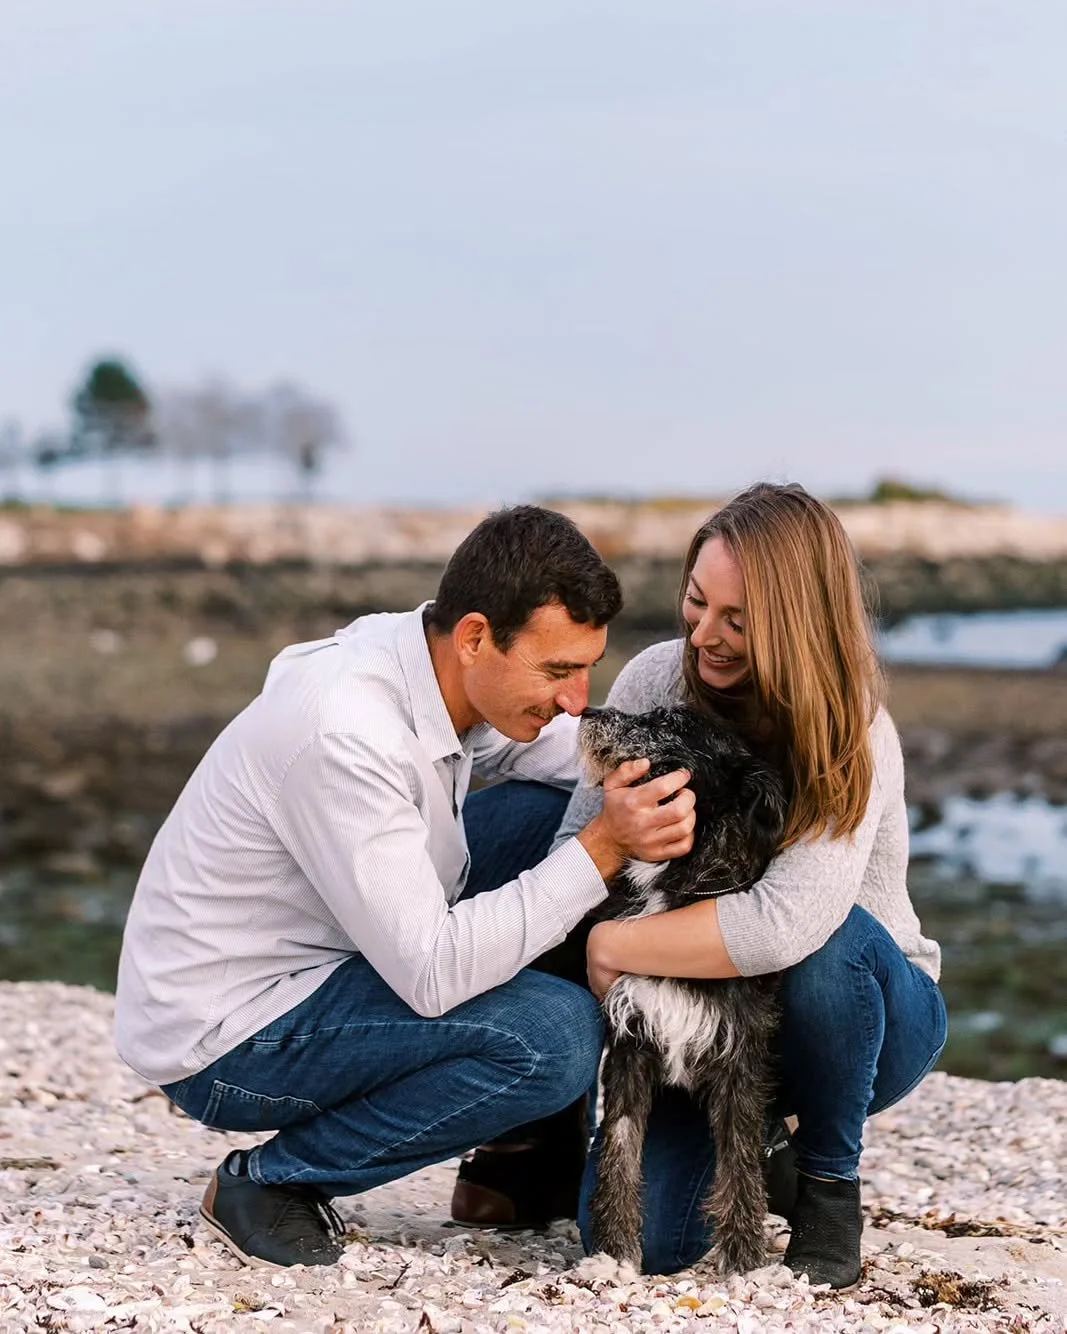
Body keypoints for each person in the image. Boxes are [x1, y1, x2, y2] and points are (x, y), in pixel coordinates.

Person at [114, 505, 697, 1269]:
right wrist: (602, 847)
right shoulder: (345, 730)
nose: (576, 698)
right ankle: (268, 1183)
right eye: (556, 671)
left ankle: (521, 1161)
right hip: (225, 1032)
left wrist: (666, 785)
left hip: (336, 952)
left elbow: (564, 758)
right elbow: (431, 973)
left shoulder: (425, 659)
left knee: (544, 813)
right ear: (475, 638)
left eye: (585, 668)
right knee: (550, 1039)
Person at [552, 482, 946, 1290]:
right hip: (702, 1015)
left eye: (738, 620)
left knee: (824, 940)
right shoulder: (658, 677)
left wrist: (613, 941)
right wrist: (609, 839)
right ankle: (761, 1143)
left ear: (798, 625)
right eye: (696, 603)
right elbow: (572, 846)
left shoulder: (849, 724)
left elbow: (783, 925)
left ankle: (829, 1190)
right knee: (647, 1243)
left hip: (854, 1014)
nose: (705, 635)